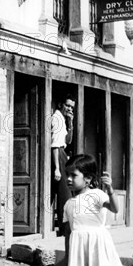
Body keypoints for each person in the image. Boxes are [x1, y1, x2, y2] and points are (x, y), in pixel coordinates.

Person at [51, 94, 75, 234]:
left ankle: (65, 226)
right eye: (67, 105)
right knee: (64, 193)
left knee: (66, 192)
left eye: (71, 107)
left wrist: (70, 123)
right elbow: (55, 145)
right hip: (58, 155)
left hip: (62, 154)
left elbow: (68, 140)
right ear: (60, 104)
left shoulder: (63, 119)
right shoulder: (57, 119)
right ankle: (64, 227)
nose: (69, 109)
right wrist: (57, 169)